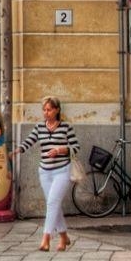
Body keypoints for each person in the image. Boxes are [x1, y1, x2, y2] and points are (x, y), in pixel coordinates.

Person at [22, 96, 81, 251]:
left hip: (62, 170)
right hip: (44, 172)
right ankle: (63, 237)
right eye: (44, 110)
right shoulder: (40, 127)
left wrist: (61, 150)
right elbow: (29, 141)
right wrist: (16, 151)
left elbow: (76, 147)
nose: (46, 113)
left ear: (57, 110)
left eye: (49, 109)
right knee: (53, 204)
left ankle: (46, 238)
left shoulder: (66, 127)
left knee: (52, 203)